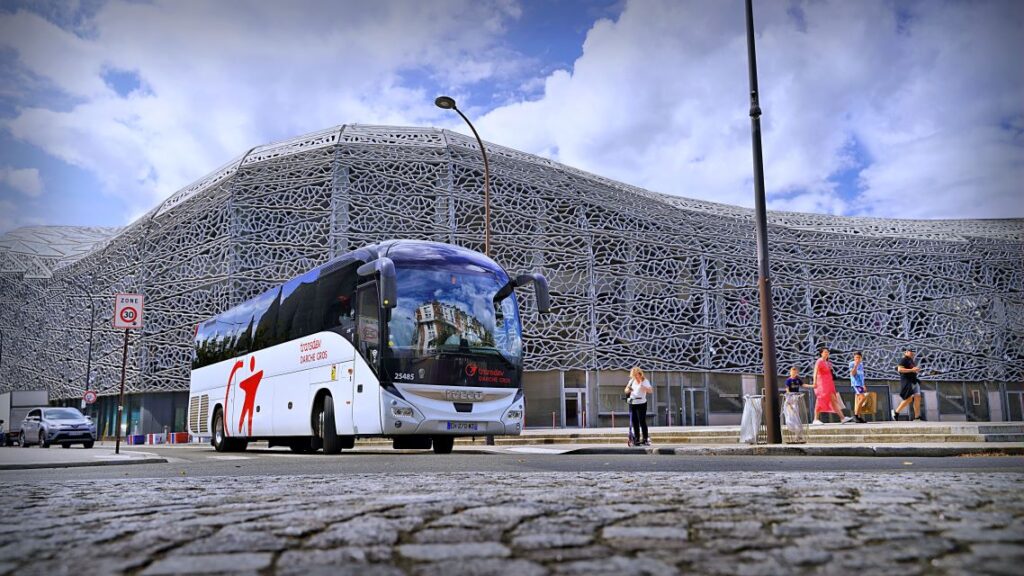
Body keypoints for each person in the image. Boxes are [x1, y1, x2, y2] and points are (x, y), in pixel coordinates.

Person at [811, 347, 855, 425]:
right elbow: (815, 372)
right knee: (820, 399)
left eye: (828, 352)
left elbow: (831, 373)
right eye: (825, 352)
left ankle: (842, 418)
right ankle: (815, 419)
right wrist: (814, 382)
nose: (827, 353)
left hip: (829, 383)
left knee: (834, 400)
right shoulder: (819, 361)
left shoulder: (828, 362)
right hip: (821, 384)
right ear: (821, 353)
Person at [624, 367, 653, 446]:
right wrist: (628, 390)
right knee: (634, 422)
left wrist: (644, 388)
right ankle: (636, 439)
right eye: (634, 375)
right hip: (633, 403)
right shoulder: (631, 381)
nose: (636, 377)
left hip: (642, 403)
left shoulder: (645, 381)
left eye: (636, 375)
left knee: (642, 421)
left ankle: (645, 439)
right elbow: (626, 390)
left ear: (640, 374)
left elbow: (650, 390)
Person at [893, 348, 923, 421]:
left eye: (913, 352)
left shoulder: (911, 360)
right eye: (910, 352)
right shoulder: (903, 360)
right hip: (907, 381)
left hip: (914, 381)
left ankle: (917, 417)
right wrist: (912, 370)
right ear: (906, 352)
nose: (912, 353)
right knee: (909, 399)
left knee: (917, 397)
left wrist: (915, 370)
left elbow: (911, 370)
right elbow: (900, 369)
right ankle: (896, 412)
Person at [850, 352, 869, 423]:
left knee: (860, 400)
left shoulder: (861, 365)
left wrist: (863, 385)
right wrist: (855, 365)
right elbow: (852, 374)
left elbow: (861, 376)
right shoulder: (852, 364)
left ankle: (858, 416)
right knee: (863, 398)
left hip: (860, 384)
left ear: (861, 358)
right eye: (856, 358)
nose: (857, 359)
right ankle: (856, 415)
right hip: (856, 384)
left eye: (858, 357)